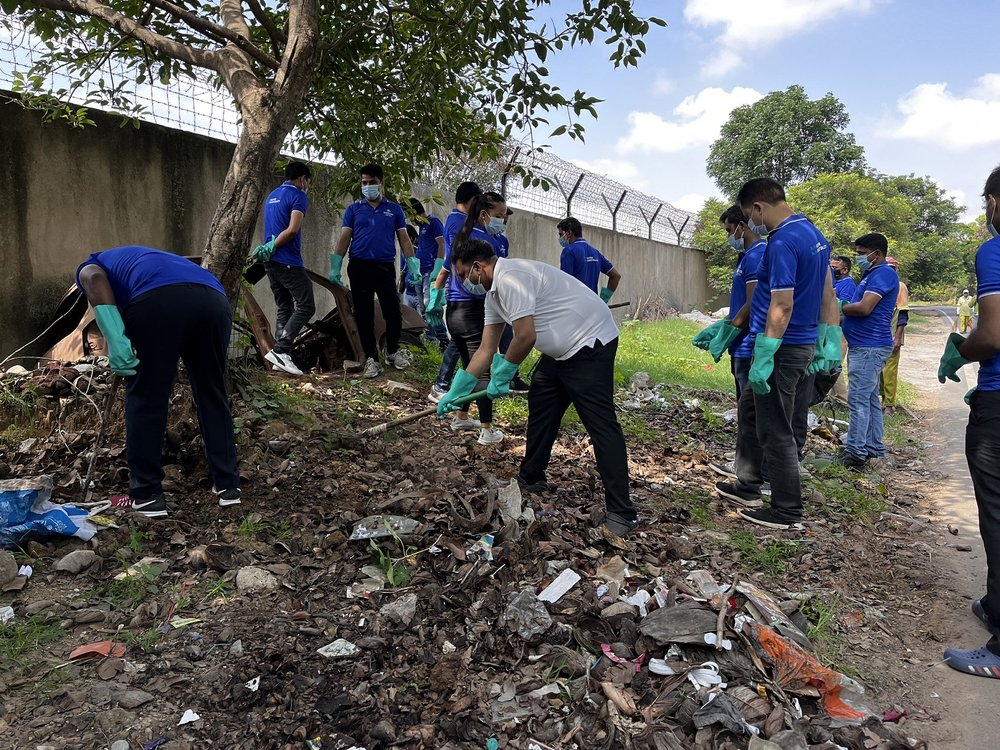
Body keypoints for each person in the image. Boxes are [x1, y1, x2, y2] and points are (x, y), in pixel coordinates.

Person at [438, 238, 638, 540]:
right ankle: (531, 477)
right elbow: (485, 349)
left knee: (601, 425)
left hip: (590, 342)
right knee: (542, 402)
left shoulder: (511, 279)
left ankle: (622, 512)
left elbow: (526, 336)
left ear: (478, 267)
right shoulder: (493, 296)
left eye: (465, 275)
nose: (465, 282)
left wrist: (504, 372)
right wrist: (456, 391)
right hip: (560, 352)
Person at [76, 247, 241, 518]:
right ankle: (228, 485)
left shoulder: (92, 263)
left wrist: (115, 337)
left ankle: (147, 494)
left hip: (157, 301)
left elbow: (93, 279)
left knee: (147, 394)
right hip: (213, 299)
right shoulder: (146, 260)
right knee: (212, 392)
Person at [713, 178, 840, 529]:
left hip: (781, 348)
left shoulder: (783, 240)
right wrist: (829, 337)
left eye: (748, 215)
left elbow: (781, 306)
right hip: (797, 343)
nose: (751, 224)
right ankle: (747, 484)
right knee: (751, 412)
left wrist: (765, 352)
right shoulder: (814, 235)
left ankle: (786, 509)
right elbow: (828, 295)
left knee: (775, 427)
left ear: (757, 208)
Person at [938, 165, 1000, 678]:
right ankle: (996, 605)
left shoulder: (995, 250)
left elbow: (993, 334)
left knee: (998, 515)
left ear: (996, 202)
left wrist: (962, 349)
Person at [427, 191, 508, 445]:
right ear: (483, 214)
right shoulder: (487, 243)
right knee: (482, 368)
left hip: (454, 310)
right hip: (475, 309)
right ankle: (486, 429)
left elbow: (444, 269)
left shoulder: (461, 234)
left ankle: (461, 415)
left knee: (469, 364)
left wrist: (436, 295)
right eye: (500, 216)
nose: (502, 221)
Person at [329, 164, 421, 378]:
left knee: (393, 313)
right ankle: (372, 358)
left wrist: (413, 264)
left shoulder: (394, 210)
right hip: (359, 266)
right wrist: (335, 265)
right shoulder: (354, 210)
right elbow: (344, 238)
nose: (368, 186)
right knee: (364, 315)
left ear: (381, 183)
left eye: (372, 182)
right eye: (364, 183)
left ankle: (392, 352)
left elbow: (404, 239)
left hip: (384, 266)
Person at [838, 233, 899, 468]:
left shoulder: (883, 274)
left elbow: (865, 308)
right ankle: (873, 447)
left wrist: (841, 308)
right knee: (870, 399)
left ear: (878, 254)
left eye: (863, 253)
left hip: (869, 347)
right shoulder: (871, 273)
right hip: (865, 345)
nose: (859, 257)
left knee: (858, 400)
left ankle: (855, 452)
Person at [427, 181, 481, 403]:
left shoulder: (457, 220)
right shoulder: (460, 221)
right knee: (461, 342)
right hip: (464, 292)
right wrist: (438, 288)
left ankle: (453, 391)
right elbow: (453, 259)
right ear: (473, 200)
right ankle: (444, 386)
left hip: (465, 292)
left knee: (462, 343)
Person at [259, 161, 315, 377]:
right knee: (306, 305)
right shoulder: (298, 196)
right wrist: (275, 245)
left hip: (269, 261)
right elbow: (292, 230)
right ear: (302, 179)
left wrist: (270, 247)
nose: (306, 185)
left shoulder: (272, 195)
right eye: (307, 182)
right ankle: (282, 350)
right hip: (287, 259)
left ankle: (280, 359)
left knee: (285, 307)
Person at [409, 199, 448, 348]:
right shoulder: (422, 226)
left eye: (409, 215)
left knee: (430, 305)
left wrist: (438, 266)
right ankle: (438, 337)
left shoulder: (433, 222)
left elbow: (441, 244)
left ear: (414, 212)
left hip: (431, 270)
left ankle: (436, 338)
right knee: (425, 309)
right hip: (422, 271)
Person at [557, 217, 622, 302]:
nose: (560, 238)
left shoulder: (569, 251)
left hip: (576, 306)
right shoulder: (595, 252)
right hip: (593, 306)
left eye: (561, 234)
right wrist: (603, 301)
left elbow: (565, 283)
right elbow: (616, 276)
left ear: (569, 233)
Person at [879, 257, 910, 408]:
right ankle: (882, 400)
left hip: (892, 333)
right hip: (878, 334)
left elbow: (903, 314)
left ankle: (889, 404)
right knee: (878, 370)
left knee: (890, 370)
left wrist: (897, 337)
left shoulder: (900, 286)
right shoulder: (879, 284)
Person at [829, 255, 856, 402]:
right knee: (829, 362)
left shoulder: (848, 285)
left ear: (845, 270)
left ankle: (842, 398)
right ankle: (830, 396)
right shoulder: (836, 283)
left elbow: (845, 309)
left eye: (835, 268)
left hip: (839, 329)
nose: (832, 270)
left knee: (834, 363)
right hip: (831, 328)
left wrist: (831, 320)